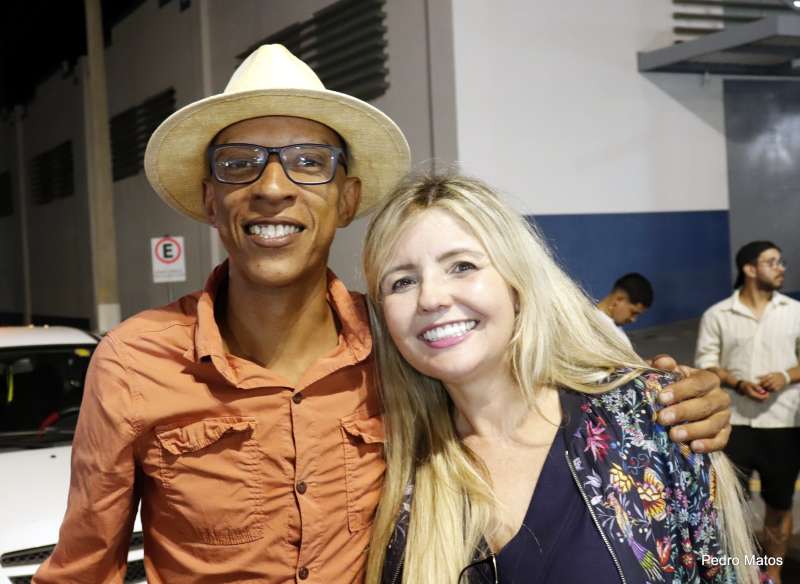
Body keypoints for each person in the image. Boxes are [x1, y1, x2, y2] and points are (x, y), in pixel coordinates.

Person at [35, 46, 731, 583]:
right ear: (210, 201)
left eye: (308, 161)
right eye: (239, 164)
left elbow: (528, 378)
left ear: (347, 198)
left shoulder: (401, 345)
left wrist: (673, 402)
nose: (272, 186)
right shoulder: (135, 362)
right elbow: (85, 569)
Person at [362, 174, 758, 584]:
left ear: (516, 284)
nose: (430, 298)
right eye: (402, 281)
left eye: (462, 266)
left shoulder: (647, 418)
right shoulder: (389, 474)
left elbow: (724, 567)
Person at [696, 240, 800, 584]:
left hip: (783, 422)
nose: (781, 268)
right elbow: (706, 365)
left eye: (781, 262)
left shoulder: (794, 311)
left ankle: (773, 572)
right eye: (773, 262)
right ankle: (737, 570)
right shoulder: (717, 315)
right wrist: (736, 383)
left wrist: (785, 376)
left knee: (779, 505)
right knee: (727, 508)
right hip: (733, 423)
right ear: (750, 269)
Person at [596, 272, 653, 347]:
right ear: (618, 300)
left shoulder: (585, 318)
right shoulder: (616, 339)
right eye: (633, 312)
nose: (633, 319)